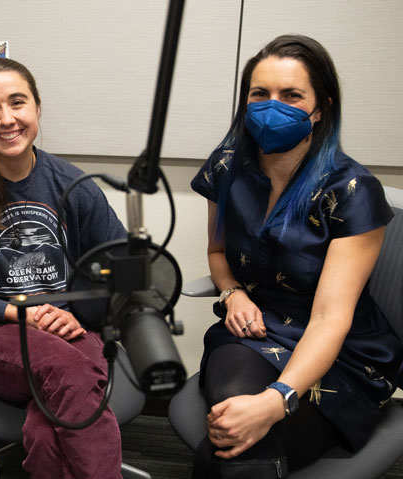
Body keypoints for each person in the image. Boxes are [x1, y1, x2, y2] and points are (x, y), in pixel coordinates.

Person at [189, 34, 403, 478]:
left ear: (320, 107)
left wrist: (275, 400)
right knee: (231, 426)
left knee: (230, 456)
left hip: (340, 349)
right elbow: (216, 251)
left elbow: (331, 319)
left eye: (291, 96)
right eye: (259, 94)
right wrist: (232, 294)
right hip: (255, 328)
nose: (272, 106)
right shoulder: (226, 167)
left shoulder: (352, 191)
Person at [0, 58, 126, 479]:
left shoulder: (70, 182)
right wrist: (21, 314)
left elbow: (121, 263)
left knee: (50, 424)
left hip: (69, 325)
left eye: (18, 102)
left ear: (37, 108)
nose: (6, 118)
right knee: (70, 372)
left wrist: (74, 310)